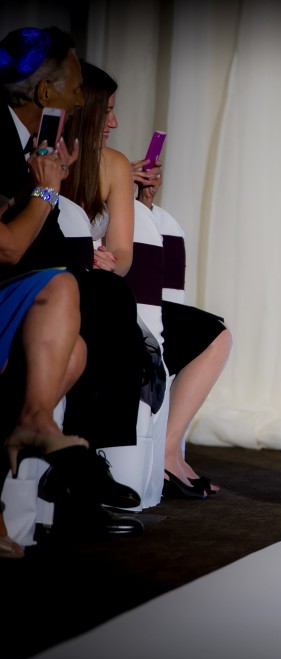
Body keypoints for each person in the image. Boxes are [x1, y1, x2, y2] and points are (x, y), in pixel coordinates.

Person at [62, 61, 231, 499]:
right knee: (111, 327)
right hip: (57, 280)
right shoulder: (41, 158)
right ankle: (86, 464)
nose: (115, 122)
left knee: (201, 332)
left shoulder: (113, 165)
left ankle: (158, 456)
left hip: (97, 284)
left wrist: (111, 249)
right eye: (108, 111)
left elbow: (121, 255)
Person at [0, 26, 143, 537]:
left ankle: (68, 460)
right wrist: (48, 191)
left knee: (92, 315)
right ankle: (65, 459)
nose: (81, 100)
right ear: (46, 94)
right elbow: (11, 246)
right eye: (78, 88)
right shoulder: (20, 152)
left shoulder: (34, 146)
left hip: (38, 285)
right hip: (25, 283)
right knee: (80, 292)